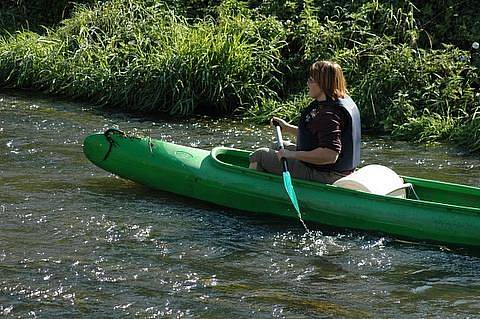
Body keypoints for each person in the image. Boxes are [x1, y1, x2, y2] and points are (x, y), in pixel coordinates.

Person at [249, 60, 361, 184]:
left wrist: (292, 155)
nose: (307, 84)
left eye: (311, 81)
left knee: (260, 155)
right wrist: (287, 128)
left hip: (328, 175)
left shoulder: (329, 114)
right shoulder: (336, 101)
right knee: (277, 145)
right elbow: (315, 136)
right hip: (335, 169)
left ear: (323, 84)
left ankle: (250, 190)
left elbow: (330, 155)